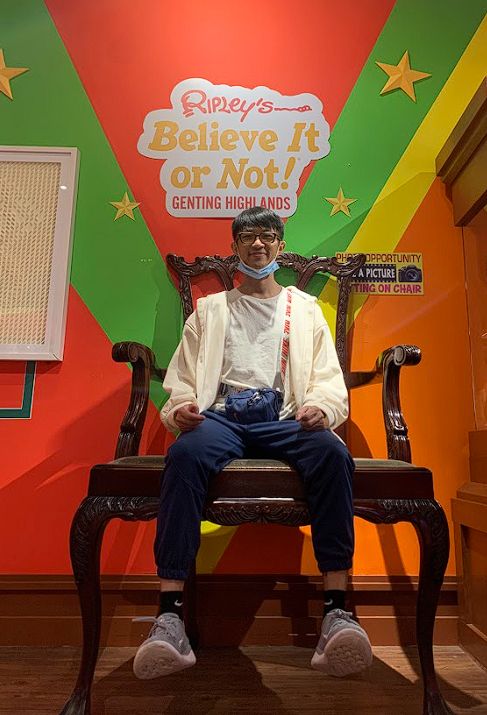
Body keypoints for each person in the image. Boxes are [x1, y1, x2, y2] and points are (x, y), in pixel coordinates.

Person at [133, 207, 373, 680]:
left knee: (332, 453)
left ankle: (337, 611)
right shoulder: (211, 310)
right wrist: (181, 407)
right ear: (235, 247)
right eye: (247, 237)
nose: (257, 244)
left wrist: (320, 407)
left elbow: (327, 377)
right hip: (222, 417)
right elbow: (182, 376)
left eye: (266, 236)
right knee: (183, 455)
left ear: (280, 245)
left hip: (285, 417)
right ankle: (170, 618)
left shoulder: (306, 310)